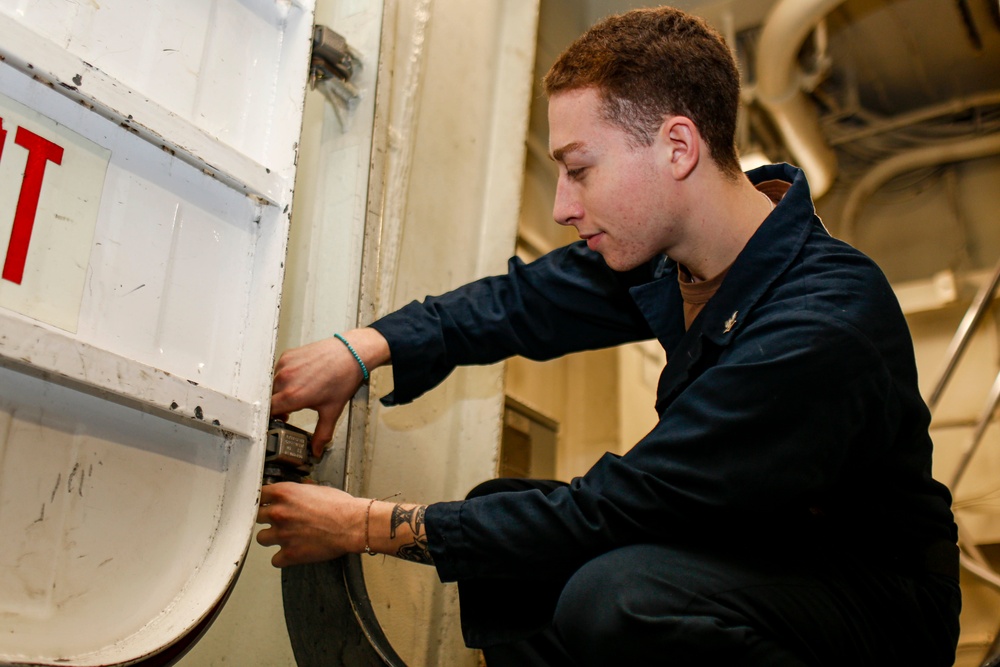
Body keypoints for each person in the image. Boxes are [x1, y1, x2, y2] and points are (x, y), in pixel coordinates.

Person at [256, 6, 961, 666]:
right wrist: (363, 347)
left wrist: (364, 525)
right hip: (764, 546)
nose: (563, 205)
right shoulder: (674, 252)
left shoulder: (818, 324)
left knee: (619, 594)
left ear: (677, 146)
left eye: (580, 168)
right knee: (510, 529)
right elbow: (521, 302)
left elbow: (613, 509)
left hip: (872, 604)